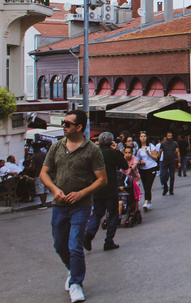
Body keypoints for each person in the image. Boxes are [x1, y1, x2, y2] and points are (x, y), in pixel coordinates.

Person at [39, 109, 107, 303]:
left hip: (81, 205)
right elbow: (44, 173)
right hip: (59, 204)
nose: (63, 126)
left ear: (79, 127)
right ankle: (72, 270)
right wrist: (54, 189)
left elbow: (102, 180)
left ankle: (76, 283)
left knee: (75, 245)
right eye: (63, 123)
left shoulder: (92, 150)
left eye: (67, 124)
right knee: (59, 244)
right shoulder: (57, 147)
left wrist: (81, 193)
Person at [84, 132, 128, 252]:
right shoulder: (111, 153)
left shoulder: (94, 153)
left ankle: (89, 234)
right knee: (112, 215)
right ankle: (109, 240)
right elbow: (124, 165)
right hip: (110, 188)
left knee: (97, 213)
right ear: (111, 142)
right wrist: (118, 150)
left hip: (97, 188)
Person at [136, 131, 159, 212]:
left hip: (151, 167)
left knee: (148, 185)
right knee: (145, 186)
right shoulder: (138, 149)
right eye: (141, 136)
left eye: (144, 136)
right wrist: (140, 162)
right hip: (143, 168)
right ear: (139, 138)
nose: (143, 138)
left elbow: (156, 157)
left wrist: (148, 153)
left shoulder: (150, 146)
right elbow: (137, 160)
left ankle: (146, 202)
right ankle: (149, 202)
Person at [119, 146, 141, 227]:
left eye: (129, 153)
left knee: (134, 195)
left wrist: (133, 167)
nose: (128, 154)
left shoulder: (134, 158)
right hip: (124, 181)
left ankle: (134, 209)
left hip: (134, 179)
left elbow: (135, 164)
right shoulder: (123, 159)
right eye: (126, 153)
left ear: (132, 153)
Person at [158, 131, 180, 196]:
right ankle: (165, 187)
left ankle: (171, 190)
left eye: (171, 136)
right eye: (169, 136)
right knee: (163, 175)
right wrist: (158, 161)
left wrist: (179, 161)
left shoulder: (175, 143)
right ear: (166, 136)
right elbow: (160, 152)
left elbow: (178, 152)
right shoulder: (163, 144)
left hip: (172, 161)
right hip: (164, 161)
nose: (170, 137)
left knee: (172, 176)